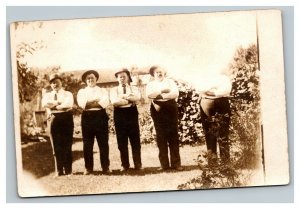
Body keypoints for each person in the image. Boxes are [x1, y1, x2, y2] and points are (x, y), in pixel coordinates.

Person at [146, 66, 183, 171]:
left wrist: (160, 96)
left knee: (173, 135)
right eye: (156, 72)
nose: (159, 73)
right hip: (157, 109)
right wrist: (163, 91)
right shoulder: (151, 84)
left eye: (161, 72)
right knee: (161, 136)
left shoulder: (170, 82)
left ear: (164, 72)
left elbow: (175, 93)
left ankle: (176, 163)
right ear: (153, 74)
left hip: (170, 108)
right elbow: (149, 95)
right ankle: (164, 164)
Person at [77, 70, 110, 175]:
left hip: (101, 116)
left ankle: (105, 167)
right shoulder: (81, 92)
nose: (90, 80)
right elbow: (82, 104)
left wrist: (91, 102)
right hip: (87, 117)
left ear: (96, 79)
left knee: (103, 143)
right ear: (86, 81)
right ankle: (88, 168)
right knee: (87, 144)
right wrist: (95, 101)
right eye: (88, 78)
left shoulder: (102, 91)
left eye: (92, 78)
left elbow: (104, 103)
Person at [42, 73, 74, 177]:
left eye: (57, 82)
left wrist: (54, 106)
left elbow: (68, 104)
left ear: (61, 82)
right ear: (51, 85)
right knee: (56, 145)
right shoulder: (47, 95)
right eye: (52, 83)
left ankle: (68, 170)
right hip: (53, 119)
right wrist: (59, 104)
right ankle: (59, 171)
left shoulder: (67, 94)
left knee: (67, 144)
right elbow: (44, 104)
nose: (55, 84)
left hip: (66, 118)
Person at [110, 68, 142, 171]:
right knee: (122, 141)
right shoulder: (113, 90)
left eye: (124, 76)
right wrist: (129, 99)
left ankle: (138, 164)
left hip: (132, 113)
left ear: (128, 77)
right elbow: (114, 102)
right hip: (119, 115)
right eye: (120, 77)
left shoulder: (134, 88)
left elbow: (137, 98)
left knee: (135, 140)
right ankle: (125, 165)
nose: (122, 78)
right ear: (117, 79)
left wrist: (122, 97)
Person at [199, 73, 232, 164]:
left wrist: (212, 91)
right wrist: (216, 88)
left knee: (223, 133)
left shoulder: (224, 77)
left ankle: (225, 162)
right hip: (206, 103)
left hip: (222, 103)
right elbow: (200, 89)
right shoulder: (203, 76)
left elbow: (226, 90)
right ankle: (212, 162)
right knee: (209, 133)